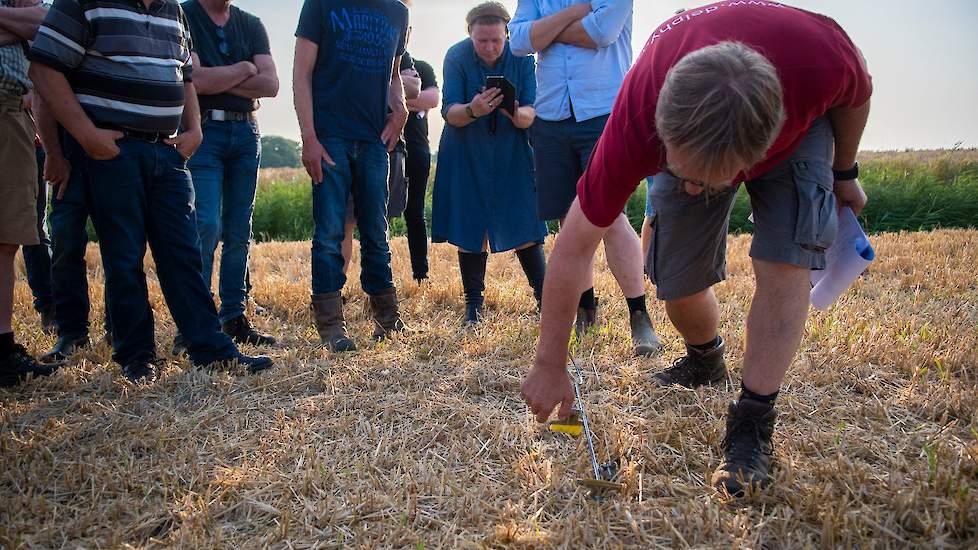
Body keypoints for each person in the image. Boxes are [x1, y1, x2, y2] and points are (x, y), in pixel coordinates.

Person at [521, 2, 872, 496]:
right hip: (686, 102)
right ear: (661, 130)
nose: (692, 190)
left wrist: (844, 172)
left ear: (761, 149)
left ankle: (753, 419)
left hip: (799, 130)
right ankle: (706, 358)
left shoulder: (820, 61)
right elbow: (575, 245)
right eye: (682, 173)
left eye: (709, 180)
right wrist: (549, 363)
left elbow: (858, 94)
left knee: (785, 261)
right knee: (675, 278)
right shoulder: (636, 111)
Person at [29, 0, 274, 383]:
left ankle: (210, 349)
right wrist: (86, 135)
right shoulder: (84, 3)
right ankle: (137, 355)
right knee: (124, 257)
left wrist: (195, 129)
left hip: (167, 150)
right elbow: (44, 70)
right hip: (113, 149)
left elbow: (186, 77)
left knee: (184, 253)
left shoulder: (172, 11)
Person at [509, 0, 662, 356]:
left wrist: (544, 32)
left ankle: (639, 316)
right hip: (551, 114)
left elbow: (601, 34)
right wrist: (572, 13)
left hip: (604, 110)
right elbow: (517, 41)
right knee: (568, 218)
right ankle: (586, 312)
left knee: (609, 217)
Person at [294, 0, 410, 352]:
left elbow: (393, 75)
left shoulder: (398, 12)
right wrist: (309, 138)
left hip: (374, 139)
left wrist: (400, 108)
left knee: (377, 232)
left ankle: (388, 321)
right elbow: (301, 71)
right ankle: (331, 326)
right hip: (329, 138)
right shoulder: (320, 4)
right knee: (330, 232)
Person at [432, 2, 548, 326]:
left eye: (496, 40)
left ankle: (545, 299)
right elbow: (450, 113)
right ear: (470, 34)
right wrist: (475, 109)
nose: (490, 47)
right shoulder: (456, 56)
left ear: (507, 34)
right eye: (482, 40)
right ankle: (474, 308)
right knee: (472, 225)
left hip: (512, 149)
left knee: (525, 219)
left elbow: (530, 114)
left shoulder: (522, 57)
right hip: (466, 150)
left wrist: (510, 109)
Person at [177, 0, 279, 355]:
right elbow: (196, 81)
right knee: (205, 226)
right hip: (204, 130)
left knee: (239, 231)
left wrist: (220, 77)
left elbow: (270, 84)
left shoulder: (251, 23)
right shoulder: (184, 14)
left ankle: (234, 316)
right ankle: (198, 324)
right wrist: (245, 68)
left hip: (245, 132)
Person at [0, 0, 57, 387]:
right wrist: (17, 29)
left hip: (13, 114)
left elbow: (42, 24)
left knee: (8, 237)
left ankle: (2, 348)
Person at [20, 92, 56, 334]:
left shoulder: (27, 53)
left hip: (30, 144)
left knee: (34, 229)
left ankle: (50, 305)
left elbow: (32, 94)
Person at [402, 54, 439, 282]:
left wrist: (392, 98)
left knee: (415, 213)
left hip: (417, 150)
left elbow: (432, 99)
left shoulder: (422, 67)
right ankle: (380, 279)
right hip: (385, 148)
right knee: (377, 215)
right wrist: (412, 100)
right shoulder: (380, 60)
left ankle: (421, 274)